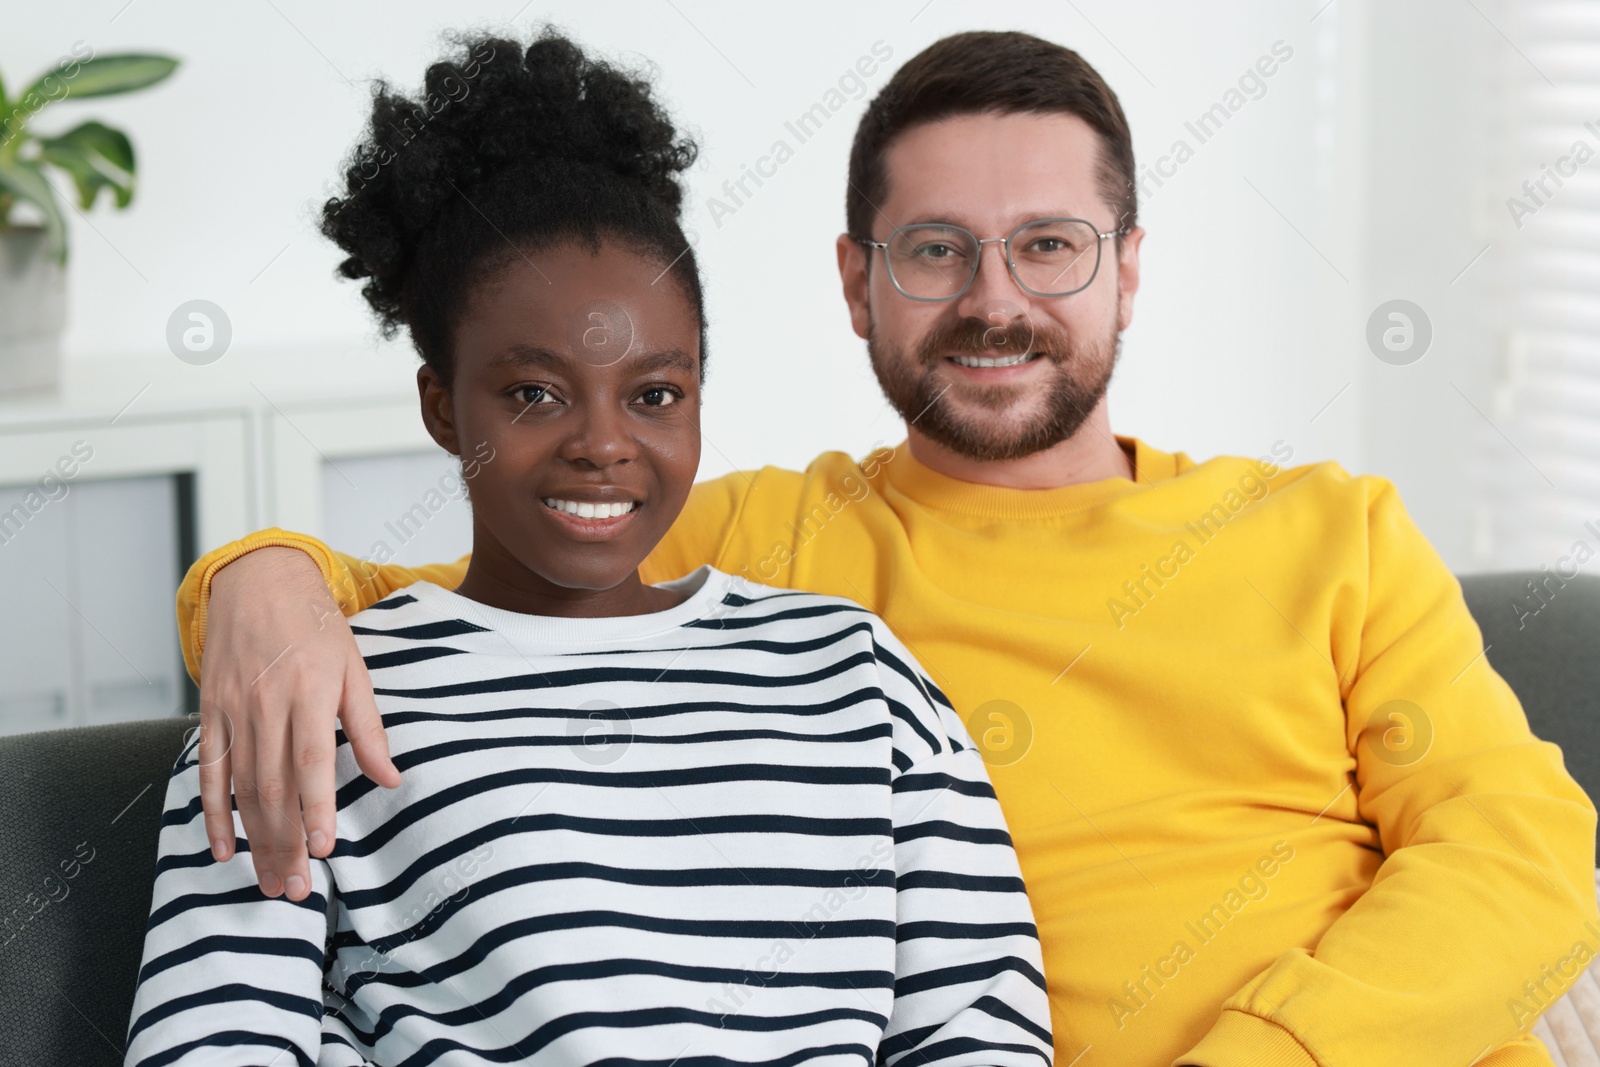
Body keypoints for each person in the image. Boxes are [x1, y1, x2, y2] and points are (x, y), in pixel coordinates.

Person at [170, 28, 1597, 1067]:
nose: (995, 301)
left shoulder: (1328, 531)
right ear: (856, 283)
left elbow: (1526, 854)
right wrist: (258, 577)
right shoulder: (775, 544)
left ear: (1130, 268)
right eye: (934, 250)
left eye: (1050, 244)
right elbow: (479, 613)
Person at [123, 30, 1052, 1066]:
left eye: (655, 394)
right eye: (533, 393)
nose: (604, 443)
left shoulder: (859, 676)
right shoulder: (305, 696)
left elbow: (980, 1031)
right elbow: (215, 1044)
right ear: (441, 403)